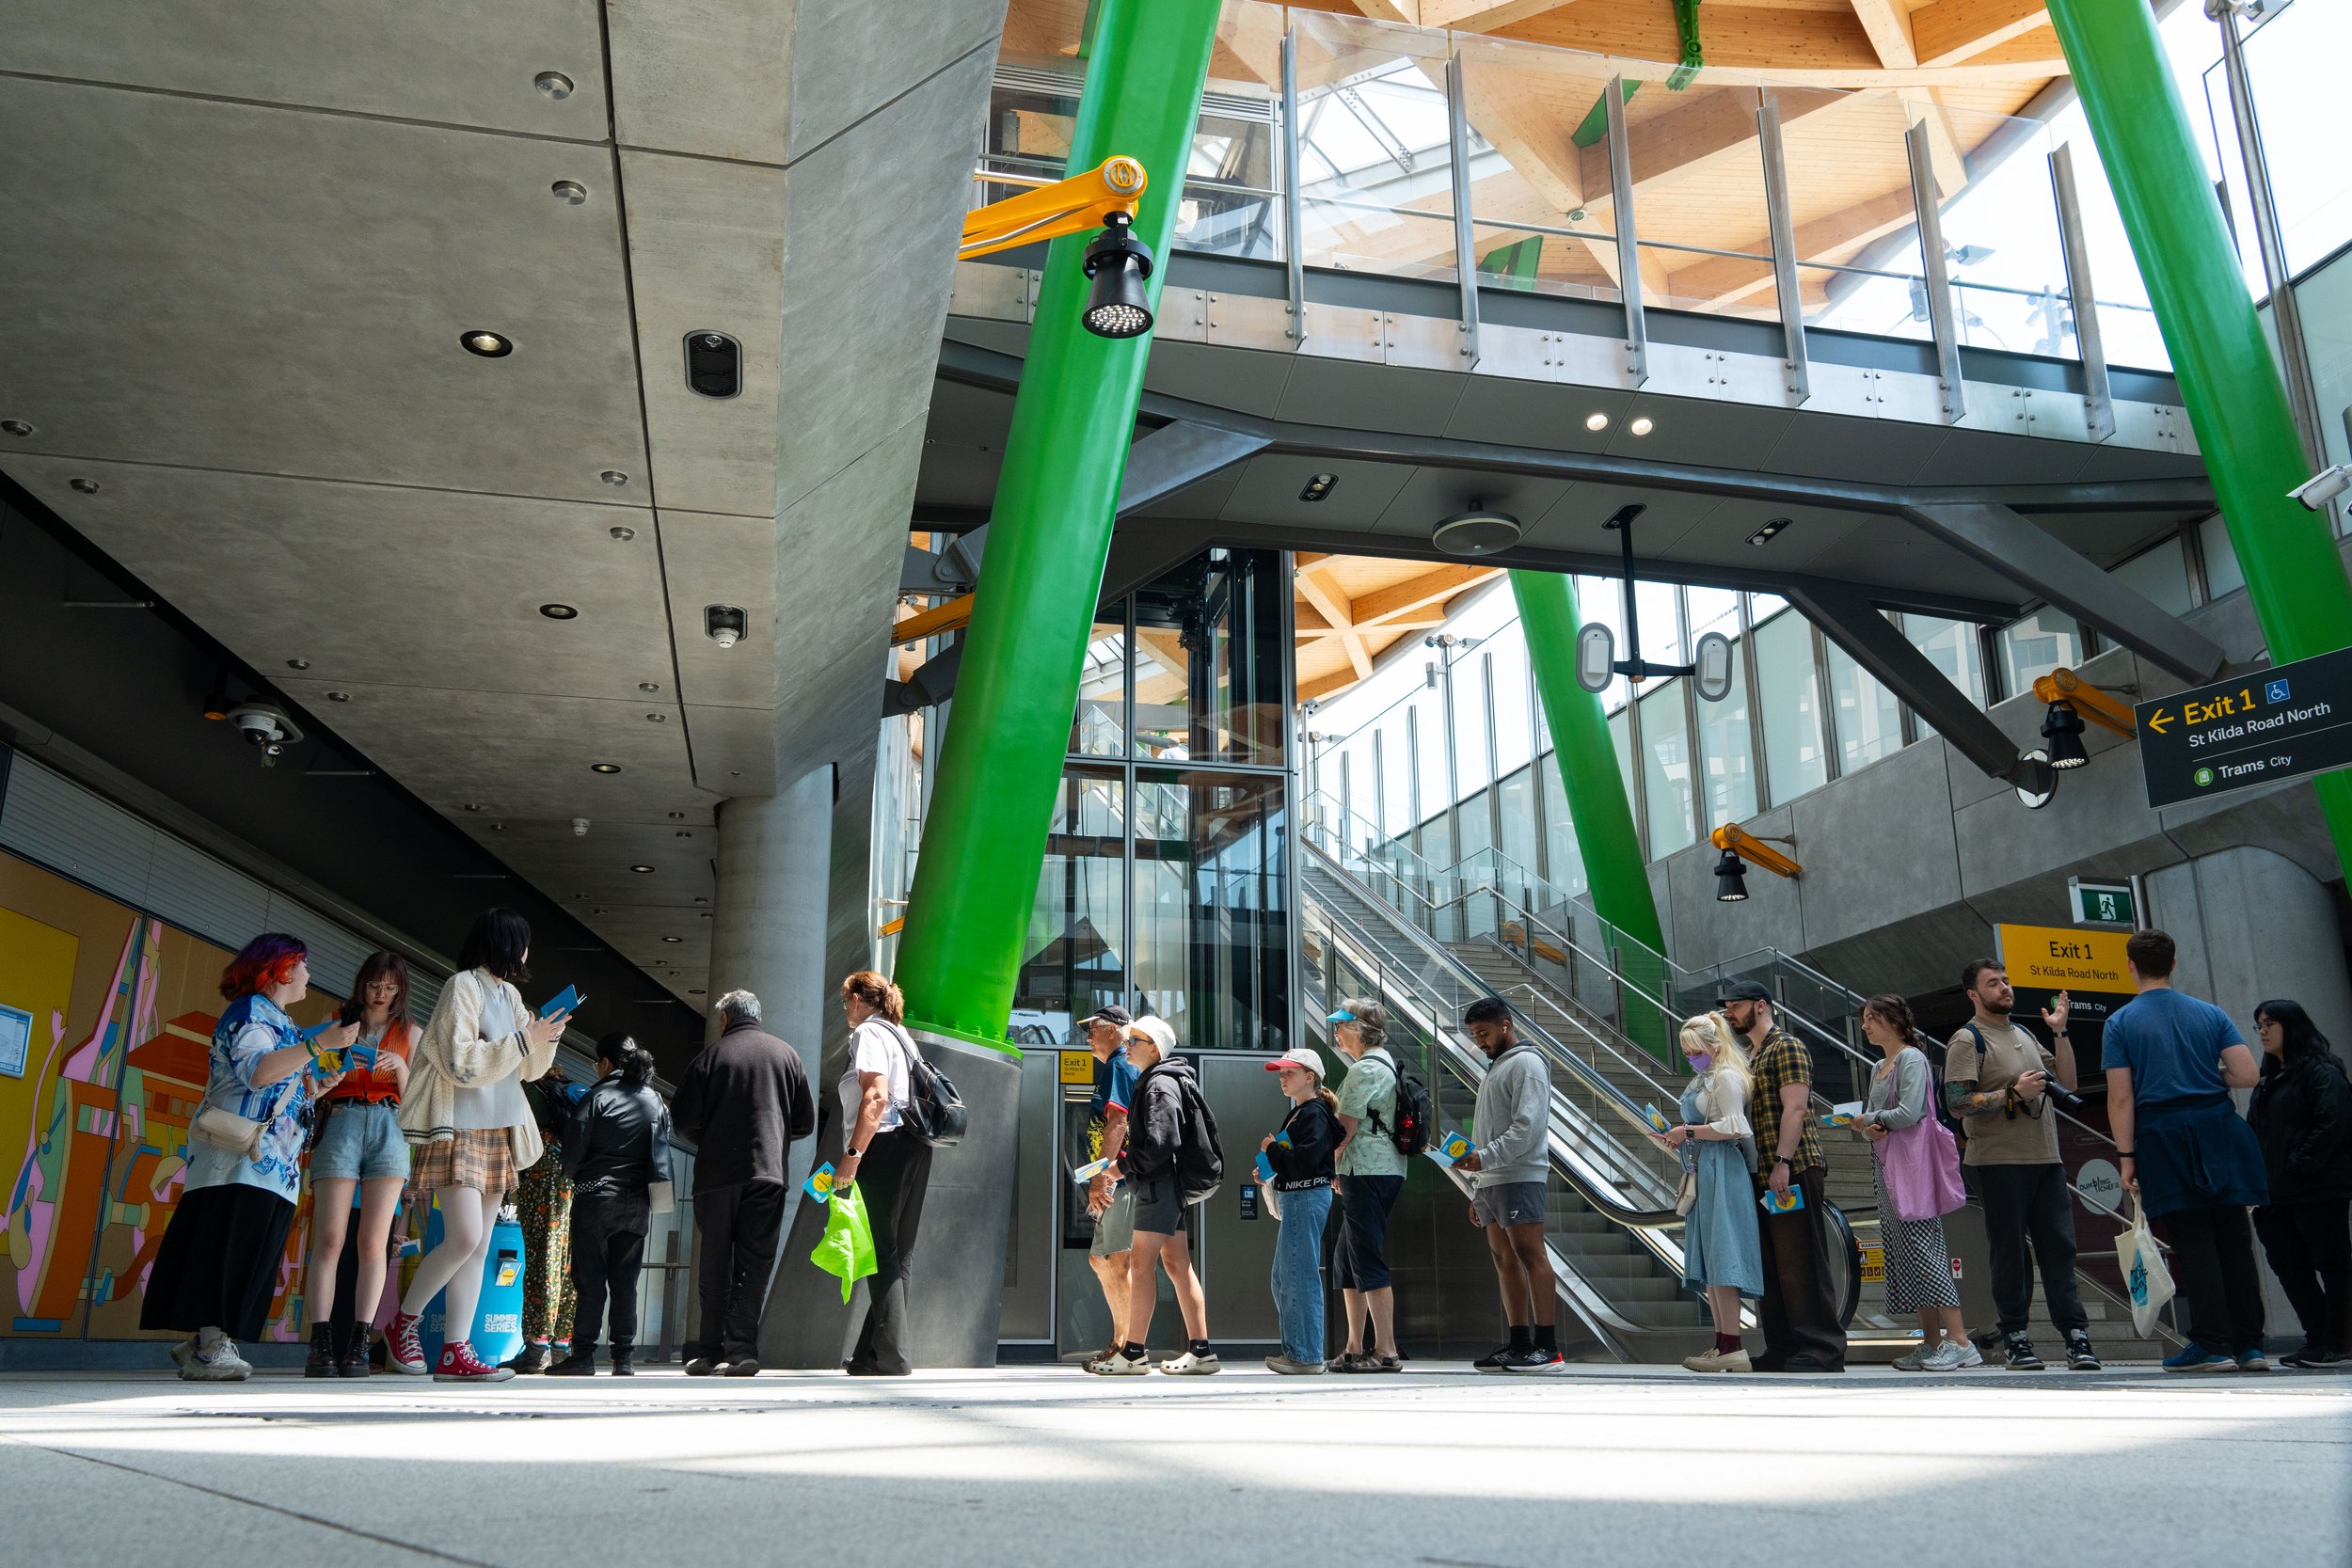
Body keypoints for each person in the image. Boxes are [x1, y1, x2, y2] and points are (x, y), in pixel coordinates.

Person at [145, 934, 354, 1381]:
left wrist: (319, 1084)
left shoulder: (284, 1022)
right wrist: (318, 1047)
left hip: (272, 1160)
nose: (309, 975)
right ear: (281, 969)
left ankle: (208, 1338)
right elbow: (257, 1072)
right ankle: (209, 1345)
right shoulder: (249, 1012)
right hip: (237, 1156)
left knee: (249, 1250)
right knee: (226, 1245)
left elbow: (282, 1081)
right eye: (303, 965)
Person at [389, 909, 568, 1382]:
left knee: (479, 1245)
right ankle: (402, 1325)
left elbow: (526, 1070)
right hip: (456, 1125)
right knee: (465, 1237)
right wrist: (525, 1040)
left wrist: (543, 1039)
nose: (528, 952)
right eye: (524, 942)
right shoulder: (462, 986)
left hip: (497, 1129)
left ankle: (455, 1352)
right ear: (508, 943)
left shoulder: (509, 994)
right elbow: (459, 1060)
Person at [2106, 929, 2269, 1373]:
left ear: (2131, 966)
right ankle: (2251, 1346)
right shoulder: (2210, 1013)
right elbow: (2249, 1074)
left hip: (2163, 1132)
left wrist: (2126, 1157)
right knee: (2233, 1236)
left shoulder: (2120, 1022)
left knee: (2192, 1239)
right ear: (2174, 964)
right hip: (2219, 1126)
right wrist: (2205, 1075)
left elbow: (2121, 1097)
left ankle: (2212, 1343)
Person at [1944, 958, 2098, 1371]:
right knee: (2010, 1254)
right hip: (1997, 1162)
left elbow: (2067, 1080)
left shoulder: (2026, 1034)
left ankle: (2077, 1338)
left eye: (2006, 981)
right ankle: (2016, 1338)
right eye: (1993, 984)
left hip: (2046, 1158)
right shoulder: (1967, 1039)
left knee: (2060, 1250)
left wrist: (2061, 1032)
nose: (2004, 988)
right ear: (1974, 995)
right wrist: (2012, 1093)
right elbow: (1957, 1103)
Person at [669, 987, 815, 1377]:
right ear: (759, 1017)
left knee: (715, 1263)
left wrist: (715, 1135)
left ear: (724, 1019)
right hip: (768, 1176)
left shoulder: (709, 1058)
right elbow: (804, 1122)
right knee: (753, 1264)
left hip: (716, 1179)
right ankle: (743, 1352)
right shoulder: (787, 1056)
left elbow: (682, 1122)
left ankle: (708, 1351)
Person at [1720, 980, 1844, 1373]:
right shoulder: (1753, 1055)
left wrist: (1782, 1163)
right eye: (1727, 1008)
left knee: (1800, 1260)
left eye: (1735, 1006)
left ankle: (1822, 1348)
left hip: (1793, 1167)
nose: (1729, 1014)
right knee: (1772, 1266)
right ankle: (1783, 1345)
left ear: (1760, 1006)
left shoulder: (1786, 1046)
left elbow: (1796, 1108)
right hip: (1765, 1173)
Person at [304, 951, 414, 1377]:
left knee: (374, 1244)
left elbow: (418, 1101)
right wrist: (327, 1079)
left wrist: (401, 1066)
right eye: (374, 985)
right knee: (330, 1240)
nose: (381, 994)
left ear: (400, 990)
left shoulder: (410, 1032)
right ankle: (321, 1342)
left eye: (390, 987)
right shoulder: (337, 1022)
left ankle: (359, 1343)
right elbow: (313, 1080)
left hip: (390, 1126)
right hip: (342, 1119)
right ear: (361, 984)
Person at [1854, 995, 1978, 1371]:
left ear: (1892, 1021)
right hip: (1889, 1165)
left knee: (1925, 1249)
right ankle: (1930, 1342)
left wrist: (1867, 1121)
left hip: (1911, 1166)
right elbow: (1878, 1124)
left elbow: (1911, 1111)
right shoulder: (1879, 1064)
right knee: (1907, 1255)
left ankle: (1959, 1341)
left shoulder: (1911, 1058)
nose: (1865, 1026)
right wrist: (1868, 1128)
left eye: (1871, 1018)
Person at [1093, 1016, 1219, 1375]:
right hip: (1167, 1184)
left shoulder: (1158, 1085)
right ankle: (1201, 1351)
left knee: (1140, 1263)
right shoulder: (1166, 1081)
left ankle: (1133, 1353)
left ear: (1154, 1048)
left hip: (1156, 1184)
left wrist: (1120, 1168)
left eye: (1135, 1040)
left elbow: (1159, 1143)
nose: (1127, 1045)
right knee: (1178, 1265)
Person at [548, 1033, 674, 1376]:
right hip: (637, 1204)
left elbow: (573, 1151)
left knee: (590, 1280)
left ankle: (583, 1356)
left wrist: (572, 1172)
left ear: (605, 1064)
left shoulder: (598, 1096)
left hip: (596, 1199)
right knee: (625, 1283)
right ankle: (624, 1358)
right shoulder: (655, 1100)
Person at [1457, 996, 1564, 1373]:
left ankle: (1547, 1346)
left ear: (1506, 1024)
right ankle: (1520, 1342)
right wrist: (1478, 1184)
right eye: (1474, 1035)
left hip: (1519, 1174)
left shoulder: (1527, 1063)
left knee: (1529, 1254)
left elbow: (1528, 1125)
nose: (1480, 1042)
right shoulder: (1498, 1067)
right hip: (1492, 1179)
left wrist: (1486, 1159)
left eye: (1484, 1033)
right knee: (1503, 1259)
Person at [836, 970, 933, 1377]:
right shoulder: (902, 1035)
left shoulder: (870, 1034)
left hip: (885, 1145)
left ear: (858, 999)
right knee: (896, 1253)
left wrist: (853, 1154)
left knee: (881, 1251)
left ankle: (893, 1357)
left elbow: (876, 1096)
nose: (845, 1009)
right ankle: (871, 1354)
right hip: (916, 1146)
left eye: (845, 1001)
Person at [2248, 999, 2351, 1369]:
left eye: (2269, 1023)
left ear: (2291, 1026)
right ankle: (2318, 1338)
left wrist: (2295, 1166)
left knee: (2333, 1264)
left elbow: (2333, 1125)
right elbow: (2257, 1134)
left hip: (2319, 1187)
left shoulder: (2322, 1070)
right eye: (2258, 1024)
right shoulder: (2269, 1078)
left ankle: (2338, 1341)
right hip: (2276, 1194)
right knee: (2289, 1266)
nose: (2261, 1031)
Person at [1664, 1012, 1763, 1373]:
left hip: (1722, 1170)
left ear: (1715, 1047)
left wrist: (1686, 1132)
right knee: (1711, 1259)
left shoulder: (1726, 1078)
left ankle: (1732, 1345)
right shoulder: (1706, 1078)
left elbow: (1736, 1127)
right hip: (1704, 1167)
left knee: (1722, 1254)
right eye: (1687, 1052)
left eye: (1695, 1051)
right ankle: (1724, 1343)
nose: (1691, 1058)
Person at [1328, 999, 1407, 1373]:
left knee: (1366, 1256)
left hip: (1366, 1171)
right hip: (1381, 1169)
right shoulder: (1385, 1065)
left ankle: (1386, 1350)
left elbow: (1344, 1128)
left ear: (1359, 1030)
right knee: (1348, 1258)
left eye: (1341, 1026)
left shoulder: (1364, 1070)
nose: (1336, 1033)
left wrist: (1326, 1166)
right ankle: (1354, 1346)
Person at [1260, 1045, 1338, 1375]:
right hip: (1299, 1197)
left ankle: (1304, 1355)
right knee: (1286, 1277)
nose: (1283, 1077)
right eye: (1281, 1072)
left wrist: (1272, 1151)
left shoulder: (1313, 1113)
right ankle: (1300, 1352)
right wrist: (1272, 1164)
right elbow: (1302, 1161)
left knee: (1296, 1277)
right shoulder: (1305, 1112)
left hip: (1304, 1197)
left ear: (1310, 1077)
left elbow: (1304, 1161)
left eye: (1289, 1072)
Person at [502, 1067, 580, 1373]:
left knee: (542, 1255)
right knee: (566, 1257)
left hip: (541, 1168)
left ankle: (536, 1347)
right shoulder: (562, 1087)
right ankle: (561, 1345)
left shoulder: (527, 1088)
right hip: (571, 1170)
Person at [1076, 1004, 1139, 1365]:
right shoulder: (1117, 1065)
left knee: (1115, 1260)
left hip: (1122, 1179)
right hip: (1118, 1178)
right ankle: (1122, 1341)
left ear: (1114, 1030)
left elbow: (1117, 1122)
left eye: (1093, 1029)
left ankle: (1127, 1348)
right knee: (1101, 1260)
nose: (1088, 1037)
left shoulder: (1119, 1063)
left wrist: (1103, 1176)